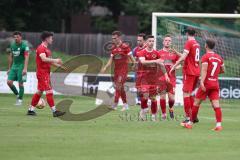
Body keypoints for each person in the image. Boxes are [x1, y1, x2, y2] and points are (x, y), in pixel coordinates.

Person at [184, 39, 224, 131]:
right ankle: (218, 125)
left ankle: (190, 123)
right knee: (216, 105)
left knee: (196, 103)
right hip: (215, 84)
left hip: (206, 84)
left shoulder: (205, 57)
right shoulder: (219, 57)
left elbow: (204, 70)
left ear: (206, 45)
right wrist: (214, 74)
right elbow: (223, 70)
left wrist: (202, 81)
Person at [27, 31, 66, 117]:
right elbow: (44, 59)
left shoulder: (47, 50)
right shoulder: (41, 48)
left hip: (45, 73)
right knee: (49, 91)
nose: (52, 39)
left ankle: (30, 110)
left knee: (39, 92)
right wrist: (56, 60)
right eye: (51, 38)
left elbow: (50, 62)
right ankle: (55, 111)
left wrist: (60, 66)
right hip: (42, 73)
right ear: (47, 38)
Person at [170, 28, 200, 125]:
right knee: (190, 94)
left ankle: (188, 118)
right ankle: (194, 117)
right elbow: (187, 56)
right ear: (195, 33)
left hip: (189, 72)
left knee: (186, 94)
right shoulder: (197, 43)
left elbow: (183, 58)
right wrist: (176, 52)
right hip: (196, 71)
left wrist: (174, 66)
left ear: (187, 33)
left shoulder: (189, 42)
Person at [101, 31, 135, 111]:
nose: (113, 40)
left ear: (119, 37)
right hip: (116, 71)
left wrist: (134, 65)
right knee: (121, 88)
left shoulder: (125, 47)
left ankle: (115, 105)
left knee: (118, 86)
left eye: (115, 38)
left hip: (123, 70)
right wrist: (105, 67)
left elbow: (132, 58)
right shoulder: (113, 48)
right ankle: (126, 105)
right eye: (112, 38)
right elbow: (110, 60)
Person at [138, 35, 169, 121]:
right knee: (145, 95)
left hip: (153, 78)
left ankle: (153, 115)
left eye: (152, 41)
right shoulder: (142, 52)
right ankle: (143, 109)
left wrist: (166, 75)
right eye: (150, 41)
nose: (151, 43)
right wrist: (155, 61)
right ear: (146, 42)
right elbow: (143, 62)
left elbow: (161, 64)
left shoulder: (156, 53)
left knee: (153, 97)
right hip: (144, 77)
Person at [158, 34, 181, 120]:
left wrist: (175, 67)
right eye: (166, 40)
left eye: (169, 41)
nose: (167, 42)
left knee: (171, 98)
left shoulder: (174, 53)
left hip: (172, 78)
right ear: (163, 42)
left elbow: (180, 65)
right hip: (161, 77)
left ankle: (171, 109)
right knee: (162, 96)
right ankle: (164, 114)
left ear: (171, 43)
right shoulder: (159, 53)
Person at [7, 31, 29, 106]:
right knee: (9, 82)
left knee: (20, 84)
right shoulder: (12, 45)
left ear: (20, 37)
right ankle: (17, 95)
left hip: (21, 66)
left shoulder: (24, 45)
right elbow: (10, 56)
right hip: (14, 66)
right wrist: (9, 68)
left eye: (17, 37)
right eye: (15, 37)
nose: (16, 38)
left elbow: (26, 57)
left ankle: (20, 100)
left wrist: (25, 68)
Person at [132, 33, 146, 105]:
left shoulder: (148, 49)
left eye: (140, 40)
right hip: (137, 71)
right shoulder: (135, 50)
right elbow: (134, 60)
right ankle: (139, 100)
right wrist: (134, 65)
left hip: (147, 71)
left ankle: (146, 99)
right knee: (138, 86)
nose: (138, 42)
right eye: (138, 40)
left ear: (144, 41)